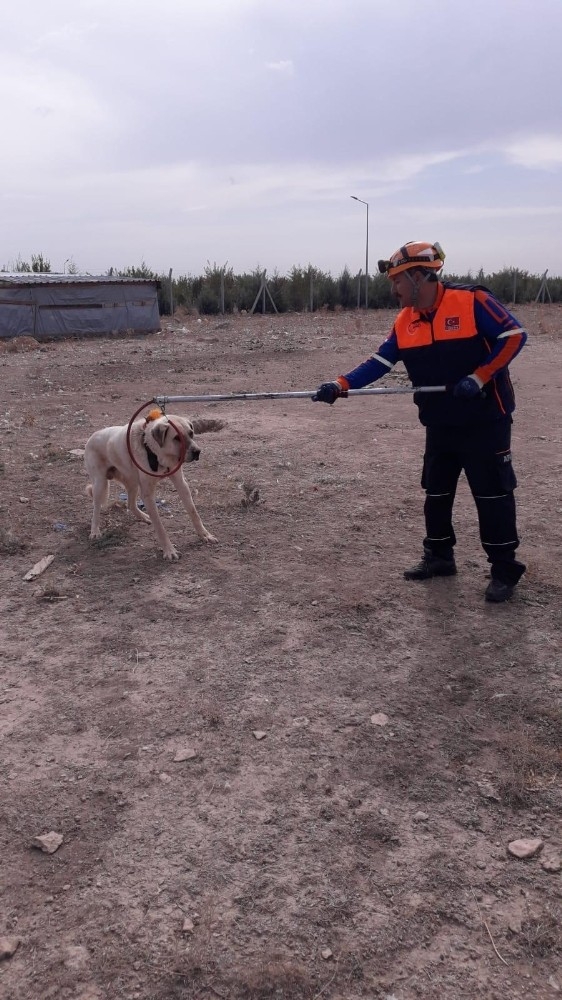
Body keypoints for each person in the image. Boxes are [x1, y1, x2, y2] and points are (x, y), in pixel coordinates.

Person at [313, 241, 527, 603]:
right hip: (440, 423)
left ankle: (504, 569)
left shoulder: (472, 302)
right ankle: (440, 557)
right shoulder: (405, 320)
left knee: (492, 495)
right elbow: (380, 362)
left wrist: (479, 377)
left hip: (485, 421)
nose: (393, 290)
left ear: (417, 277)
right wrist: (341, 384)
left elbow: (514, 336)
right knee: (437, 492)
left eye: (397, 281)